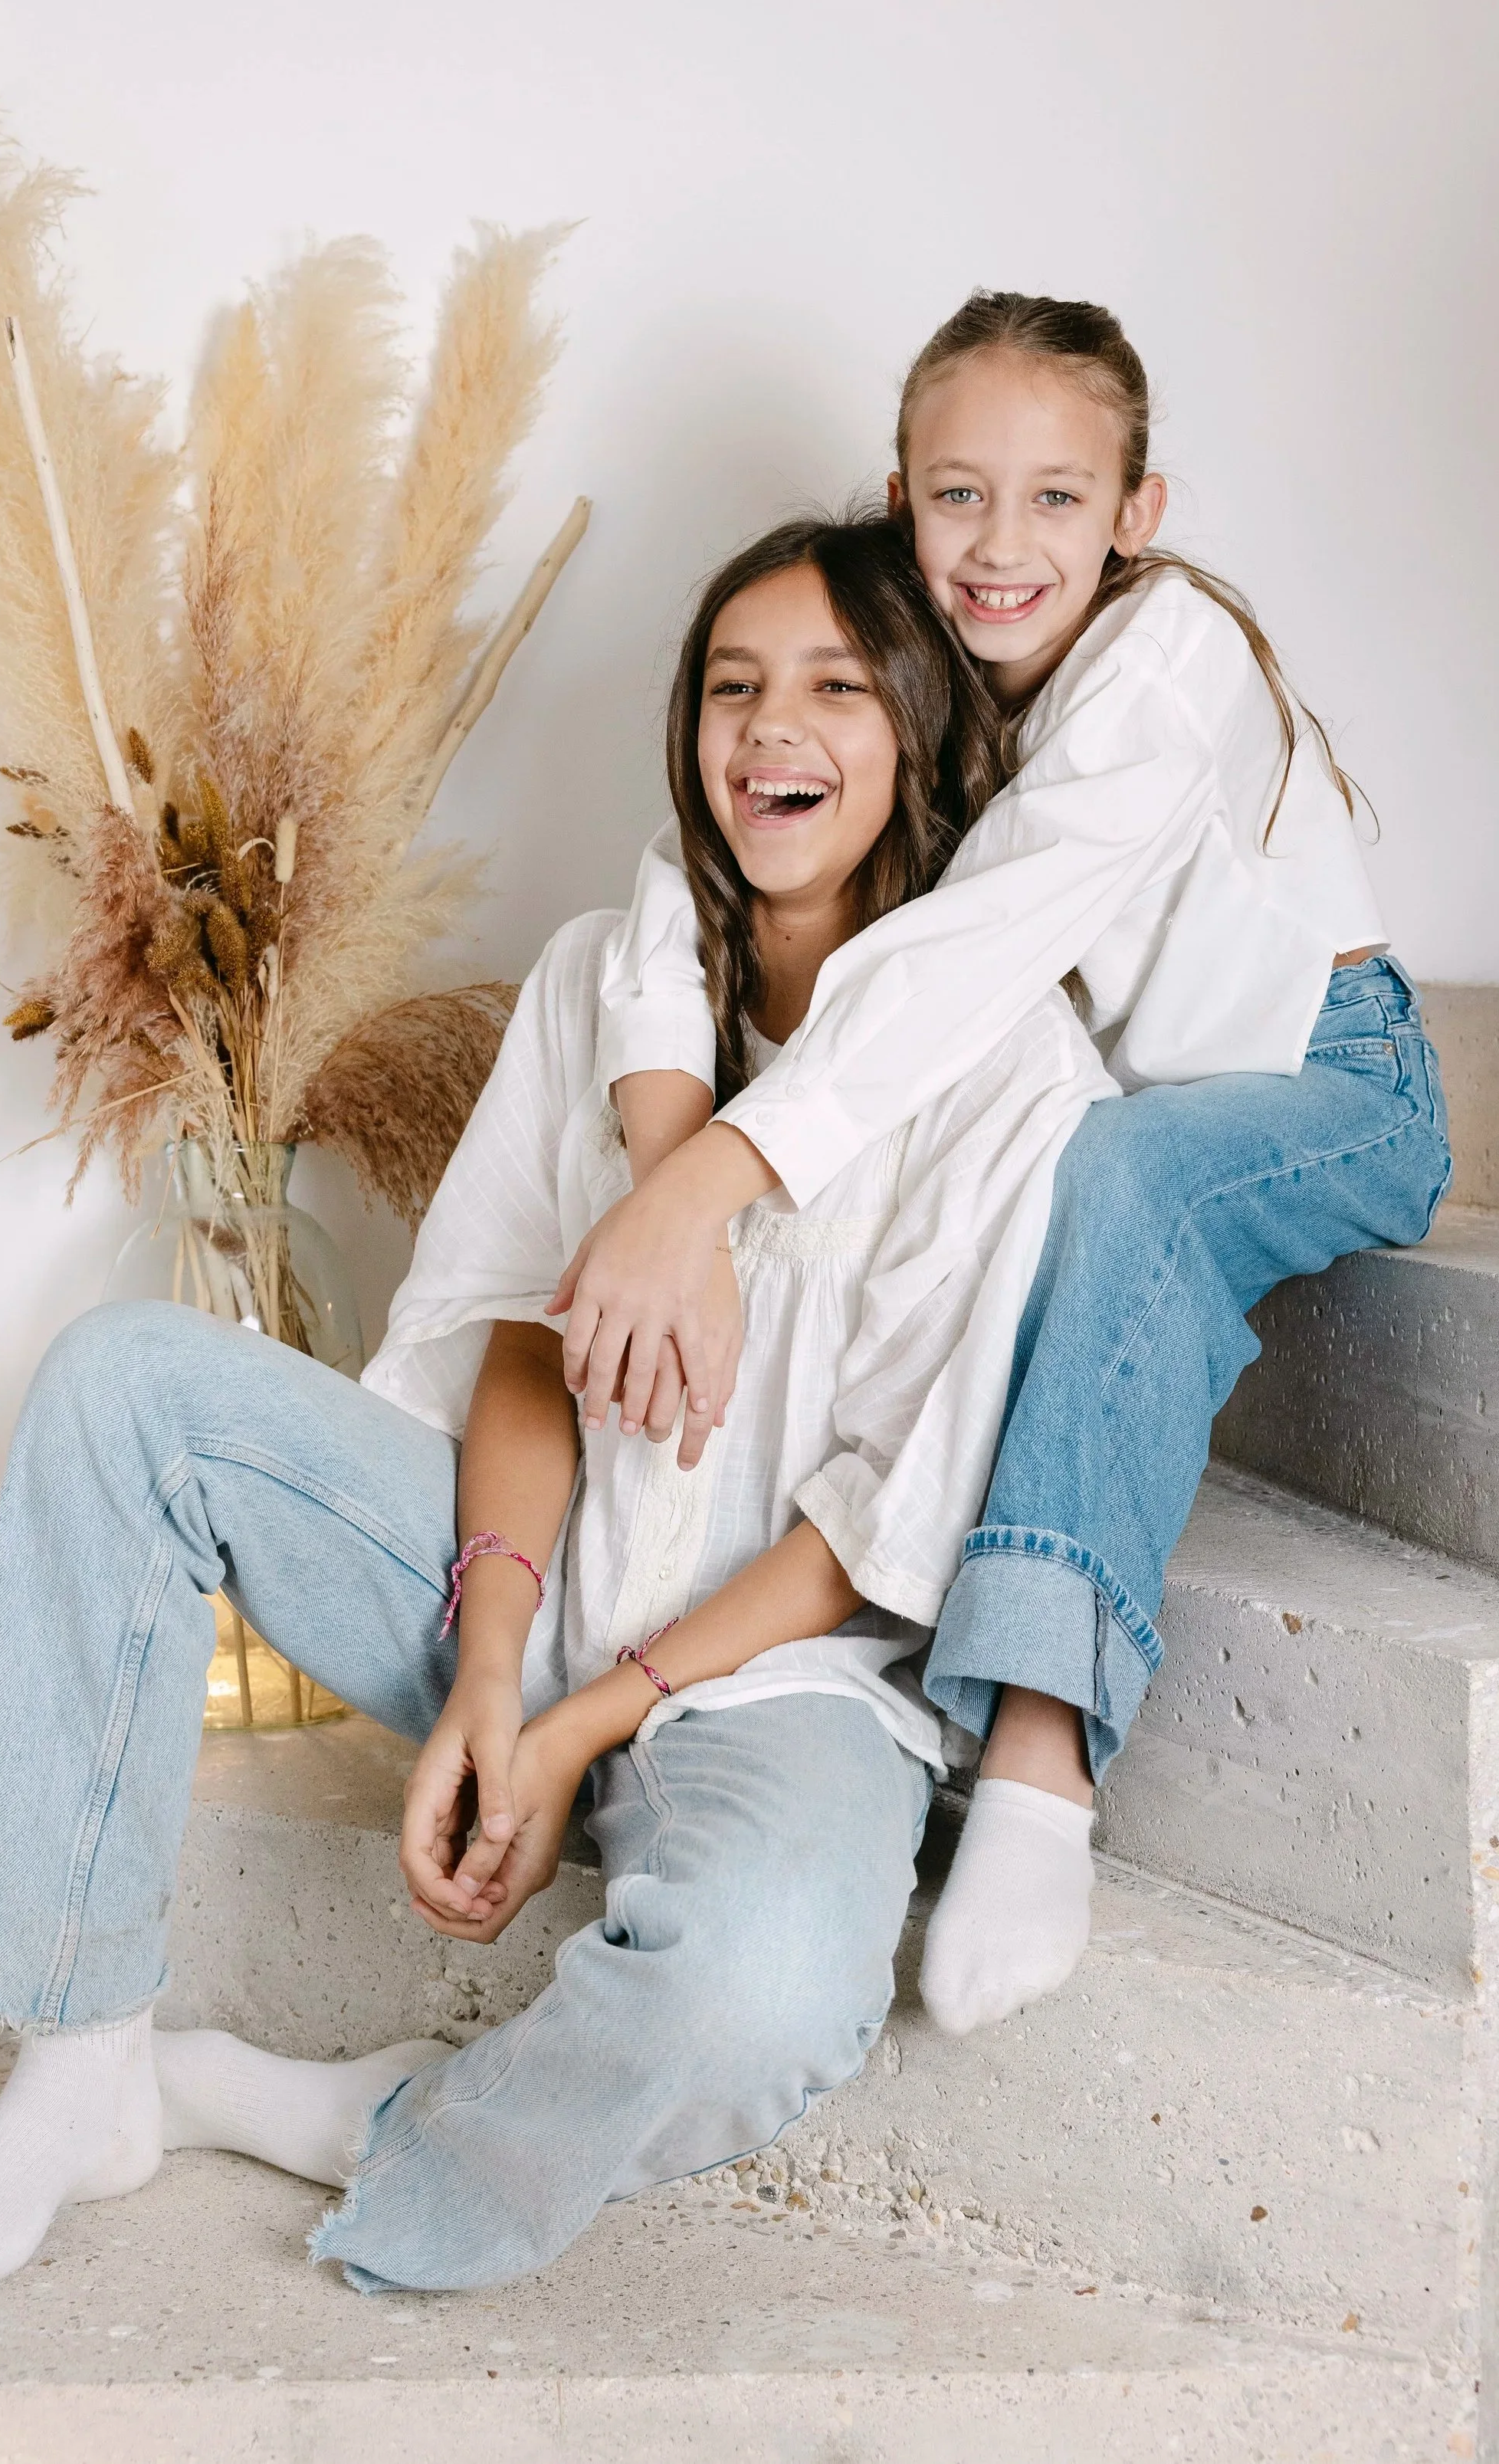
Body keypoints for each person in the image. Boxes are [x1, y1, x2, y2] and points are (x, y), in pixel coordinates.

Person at [0, 513, 1115, 2308]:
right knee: (125, 1382)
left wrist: (578, 1727)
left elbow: (881, 1524)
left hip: (785, 1679)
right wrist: (483, 1677)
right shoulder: (608, 973)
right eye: (732, 686)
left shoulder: (1008, 1073)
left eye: (837, 688)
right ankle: (75, 2064)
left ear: (919, 732)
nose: (773, 729)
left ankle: (330, 2116)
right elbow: (518, 1342)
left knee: (758, 1988)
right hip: (523, 1583)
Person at [556, 291, 1451, 2039]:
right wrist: (660, 1125)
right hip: (1119, 1107)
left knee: (1110, 1174)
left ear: (1137, 516)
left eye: (1056, 497)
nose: (999, 542)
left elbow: (962, 955)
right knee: (1071, 1152)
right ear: (899, 496)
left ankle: (1037, 1747)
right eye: (958, 493)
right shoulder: (915, 670)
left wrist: (696, 1189)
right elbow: (694, 871)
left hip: (1325, 1077)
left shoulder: (1163, 659)